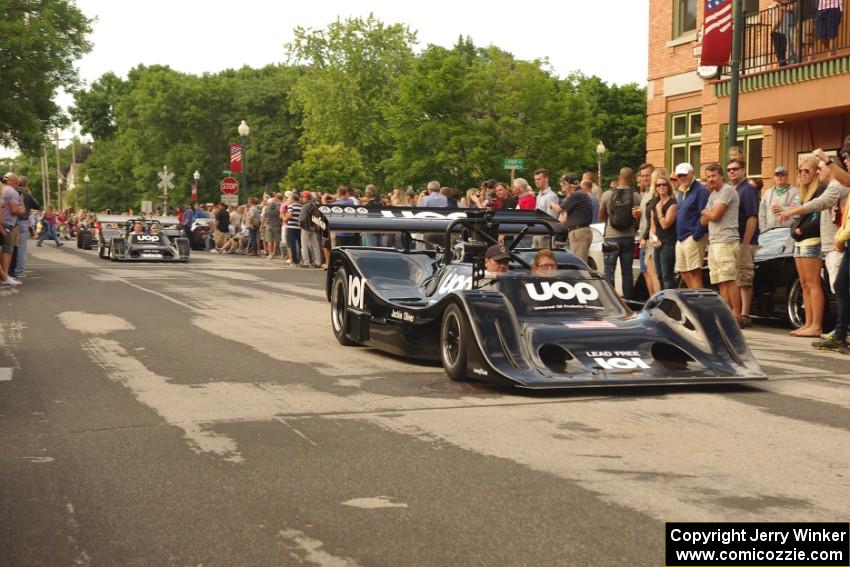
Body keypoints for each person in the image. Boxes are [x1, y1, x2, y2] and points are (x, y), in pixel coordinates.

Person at [780, 156, 849, 336]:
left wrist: (792, 212)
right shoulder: (830, 186)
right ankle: (812, 324)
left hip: (830, 242)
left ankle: (825, 327)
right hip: (830, 243)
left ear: (832, 167)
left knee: (832, 286)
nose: (818, 173)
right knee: (817, 285)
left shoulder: (836, 185)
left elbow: (818, 205)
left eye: (820, 168)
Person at [813, 168, 850, 354]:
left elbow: (822, 203)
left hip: (840, 241)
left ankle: (842, 333)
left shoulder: (839, 185)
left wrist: (841, 237)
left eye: (848, 159)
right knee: (841, 287)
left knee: (842, 287)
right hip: (842, 241)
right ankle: (841, 334)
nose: (846, 163)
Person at [700, 163, 742, 321]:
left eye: (713, 176)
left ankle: (736, 314)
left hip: (726, 240)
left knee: (729, 279)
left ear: (721, 176)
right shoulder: (713, 195)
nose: (710, 180)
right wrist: (707, 213)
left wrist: (705, 211)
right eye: (708, 177)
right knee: (720, 281)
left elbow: (714, 215)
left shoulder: (727, 191)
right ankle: (727, 314)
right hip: (714, 241)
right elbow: (703, 221)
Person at [598, 167, 641, 299]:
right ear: (632, 178)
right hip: (628, 237)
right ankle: (628, 300)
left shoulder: (607, 194)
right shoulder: (635, 196)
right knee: (627, 271)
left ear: (619, 177)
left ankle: (610, 300)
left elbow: (601, 216)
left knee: (609, 270)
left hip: (611, 236)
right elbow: (638, 218)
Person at [727, 158, 760, 328]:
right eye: (729, 170)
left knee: (744, 278)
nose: (732, 172)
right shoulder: (732, 189)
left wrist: (746, 243)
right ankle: (736, 312)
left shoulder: (747, 189)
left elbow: (752, 217)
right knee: (734, 277)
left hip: (745, 240)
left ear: (743, 170)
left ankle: (745, 314)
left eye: (735, 169)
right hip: (733, 239)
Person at [673, 163, 710, 289]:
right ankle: (693, 295)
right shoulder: (681, 191)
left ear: (692, 174)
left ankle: (699, 300)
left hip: (692, 236)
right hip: (681, 237)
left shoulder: (701, 190)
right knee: (683, 271)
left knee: (694, 271)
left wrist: (696, 234)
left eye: (684, 174)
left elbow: (704, 214)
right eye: (679, 175)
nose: (682, 177)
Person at [554, 173, 593, 263]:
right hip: (578, 232)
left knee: (579, 263)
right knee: (576, 261)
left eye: (562, 183)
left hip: (579, 232)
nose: (561, 185)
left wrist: (552, 204)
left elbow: (559, 209)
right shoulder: (578, 195)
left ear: (568, 184)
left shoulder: (576, 195)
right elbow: (564, 218)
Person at [649, 167, 678, 290]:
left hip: (668, 243)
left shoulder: (672, 204)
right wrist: (652, 238)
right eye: (658, 185)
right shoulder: (655, 204)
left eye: (664, 184)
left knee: (667, 276)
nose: (661, 187)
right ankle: (663, 302)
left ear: (668, 186)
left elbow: (666, 224)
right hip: (658, 244)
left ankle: (671, 303)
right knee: (659, 275)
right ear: (655, 187)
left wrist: (660, 211)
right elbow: (653, 226)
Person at [636, 163, 660, 296]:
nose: (644, 178)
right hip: (642, 238)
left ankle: (657, 302)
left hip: (651, 238)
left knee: (653, 272)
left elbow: (653, 219)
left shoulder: (654, 194)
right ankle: (652, 301)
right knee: (645, 271)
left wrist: (646, 237)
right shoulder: (645, 193)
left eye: (647, 175)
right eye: (643, 175)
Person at [12, 175, 40, 278]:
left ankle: (10, 269)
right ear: (26, 184)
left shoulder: (12, 192)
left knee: (11, 247)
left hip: (12, 222)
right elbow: (37, 206)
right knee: (21, 247)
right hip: (22, 222)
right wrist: (30, 194)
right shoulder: (26, 194)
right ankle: (19, 270)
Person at [1, 173, 25, 285]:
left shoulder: (4, 190)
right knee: (7, 250)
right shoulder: (13, 192)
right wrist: (22, 207)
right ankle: (5, 276)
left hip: (4, 223)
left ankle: (4, 276)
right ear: (15, 182)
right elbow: (14, 210)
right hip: (7, 223)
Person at [759, 166, 800, 232]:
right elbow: (762, 214)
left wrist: (783, 209)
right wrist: (763, 230)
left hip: (786, 231)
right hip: (769, 232)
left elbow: (798, 212)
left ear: (786, 177)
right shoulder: (767, 193)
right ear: (774, 177)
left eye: (782, 175)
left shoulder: (795, 192)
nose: (779, 177)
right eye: (777, 175)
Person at [533, 169, 558, 249]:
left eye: (539, 179)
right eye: (535, 179)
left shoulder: (551, 196)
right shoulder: (539, 195)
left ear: (546, 179)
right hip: (537, 231)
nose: (536, 181)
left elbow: (551, 219)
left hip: (545, 234)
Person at [299, 192, 322, 268]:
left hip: (305, 228)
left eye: (303, 197)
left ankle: (306, 262)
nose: (302, 198)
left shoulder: (305, 206)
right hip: (313, 228)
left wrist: (300, 225)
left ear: (306, 197)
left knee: (304, 246)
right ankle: (318, 262)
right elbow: (318, 216)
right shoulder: (315, 205)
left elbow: (301, 218)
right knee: (315, 246)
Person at [283, 193, 302, 265]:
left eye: (290, 198)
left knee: (292, 244)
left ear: (293, 199)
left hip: (291, 227)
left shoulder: (291, 206)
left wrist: (285, 219)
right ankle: (300, 259)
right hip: (299, 227)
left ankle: (295, 260)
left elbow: (289, 215)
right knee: (300, 244)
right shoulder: (301, 207)